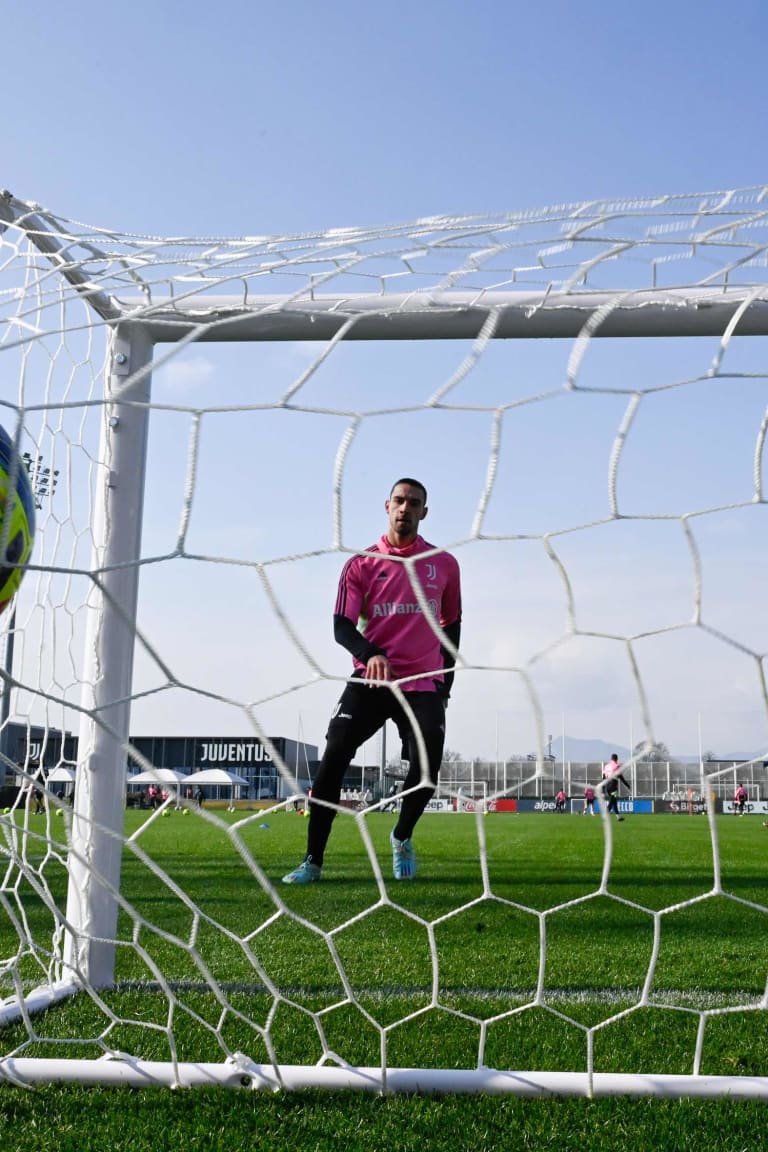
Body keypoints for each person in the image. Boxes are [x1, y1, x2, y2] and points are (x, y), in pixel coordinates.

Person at [283, 478, 462, 884]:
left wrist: (445, 685)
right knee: (332, 760)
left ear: (424, 512)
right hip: (370, 680)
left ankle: (401, 836)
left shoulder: (444, 565)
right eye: (399, 501)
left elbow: (452, 627)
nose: (405, 508)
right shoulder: (362, 564)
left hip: (422, 683)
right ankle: (312, 860)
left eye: (414, 503)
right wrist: (370, 654)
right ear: (386, 506)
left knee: (426, 771)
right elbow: (341, 626)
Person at [601, 753, 631, 821]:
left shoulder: (606, 766)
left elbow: (603, 777)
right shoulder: (617, 766)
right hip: (613, 784)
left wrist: (603, 788)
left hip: (607, 785)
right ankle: (606, 812)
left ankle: (619, 817)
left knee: (614, 801)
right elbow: (620, 777)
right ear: (616, 759)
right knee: (612, 800)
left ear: (611, 759)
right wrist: (627, 785)